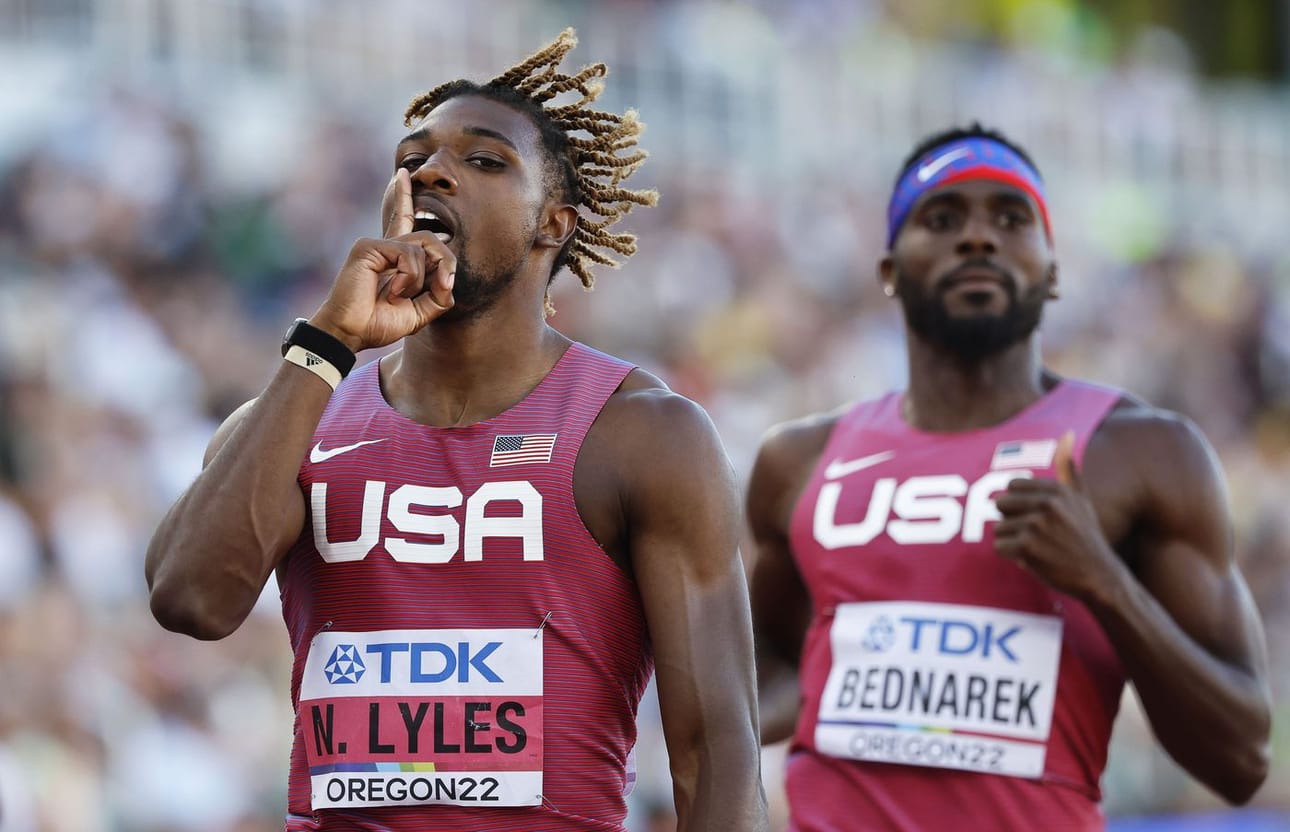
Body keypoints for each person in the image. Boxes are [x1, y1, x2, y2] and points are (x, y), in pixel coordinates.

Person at [146, 29, 767, 832]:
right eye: (413, 159)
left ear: (553, 224)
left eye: (484, 160)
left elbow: (715, 749)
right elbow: (191, 600)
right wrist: (327, 344)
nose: (432, 172)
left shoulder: (643, 434)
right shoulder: (299, 412)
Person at [747, 124, 1272, 830]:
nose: (978, 238)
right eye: (942, 219)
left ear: (1052, 269)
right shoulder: (799, 462)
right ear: (890, 270)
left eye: (1011, 218)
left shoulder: (1142, 454)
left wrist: (1105, 583)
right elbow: (765, 676)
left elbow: (1241, 759)